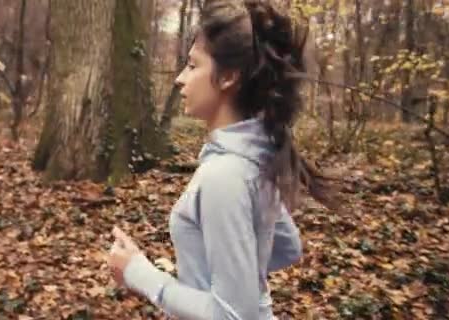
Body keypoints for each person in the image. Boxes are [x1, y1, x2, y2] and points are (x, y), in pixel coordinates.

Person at [107, 1, 337, 319]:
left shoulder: (225, 175)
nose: (179, 78)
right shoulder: (256, 158)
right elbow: (287, 248)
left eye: (192, 65)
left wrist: (142, 275)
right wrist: (214, 270)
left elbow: (230, 315)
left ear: (228, 77)